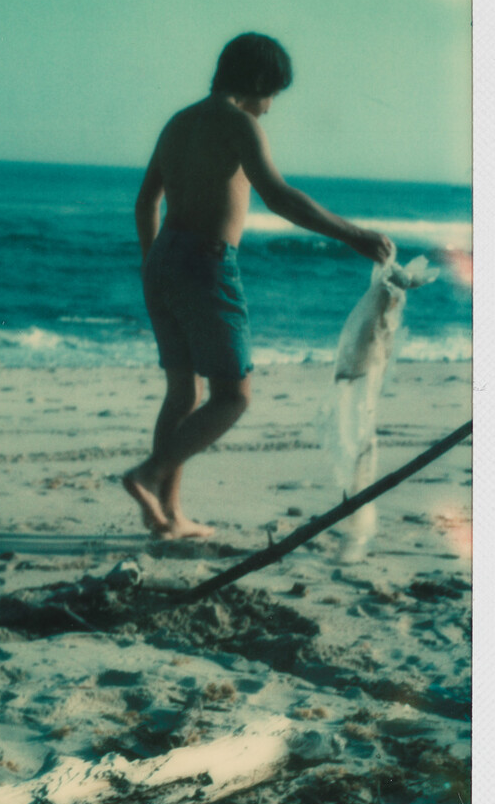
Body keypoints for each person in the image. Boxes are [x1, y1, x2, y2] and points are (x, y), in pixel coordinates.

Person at [122, 32, 394, 539]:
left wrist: (149, 262)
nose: (269, 109)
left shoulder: (178, 122)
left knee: (182, 393)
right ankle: (148, 474)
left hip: (161, 259)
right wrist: (352, 235)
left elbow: (145, 204)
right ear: (258, 83)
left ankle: (167, 515)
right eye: (272, 95)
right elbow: (279, 196)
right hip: (206, 261)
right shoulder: (238, 123)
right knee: (234, 397)